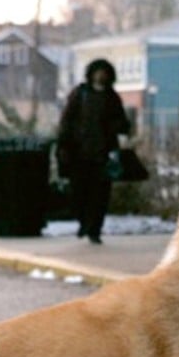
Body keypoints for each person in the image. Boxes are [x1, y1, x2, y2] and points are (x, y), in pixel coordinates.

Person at [56, 58, 131, 244]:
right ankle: (83, 222)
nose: (100, 75)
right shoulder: (80, 94)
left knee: (100, 195)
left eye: (104, 72)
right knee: (78, 192)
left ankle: (94, 229)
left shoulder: (112, 97)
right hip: (78, 153)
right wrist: (63, 145)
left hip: (103, 155)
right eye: (97, 72)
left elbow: (123, 123)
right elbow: (67, 120)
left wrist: (115, 129)